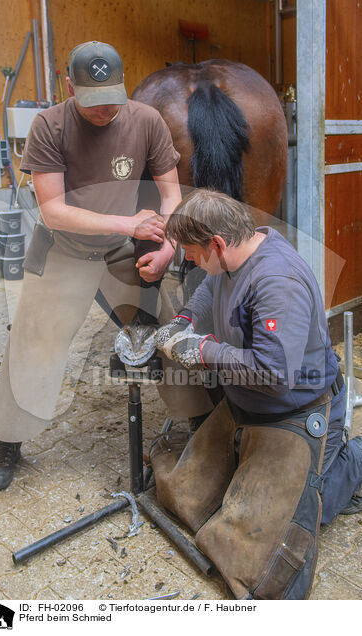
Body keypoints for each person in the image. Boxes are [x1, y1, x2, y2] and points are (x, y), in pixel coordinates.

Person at [0, 41, 213, 492]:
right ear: (70, 86)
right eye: (92, 101)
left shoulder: (146, 120)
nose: (104, 110)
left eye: (111, 99)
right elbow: (54, 211)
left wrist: (168, 244)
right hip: (63, 251)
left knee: (164, 331)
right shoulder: (49, 125)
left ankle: (200, 420)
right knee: (34, 341)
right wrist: (128, 221)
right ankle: (6, 439)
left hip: (119, 252)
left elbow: (170, 196)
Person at [153, 188, 362, 599]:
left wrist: (202, 349)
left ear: (216, 242)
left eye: (193, 254)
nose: (189, 261)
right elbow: (211, 290)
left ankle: (350, 461)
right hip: (248, 407)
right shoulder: (238, 252)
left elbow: (273, 373)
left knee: (277, 545)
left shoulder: (276, 281)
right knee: (187, 495)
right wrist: (183, 321)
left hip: (295, 410)